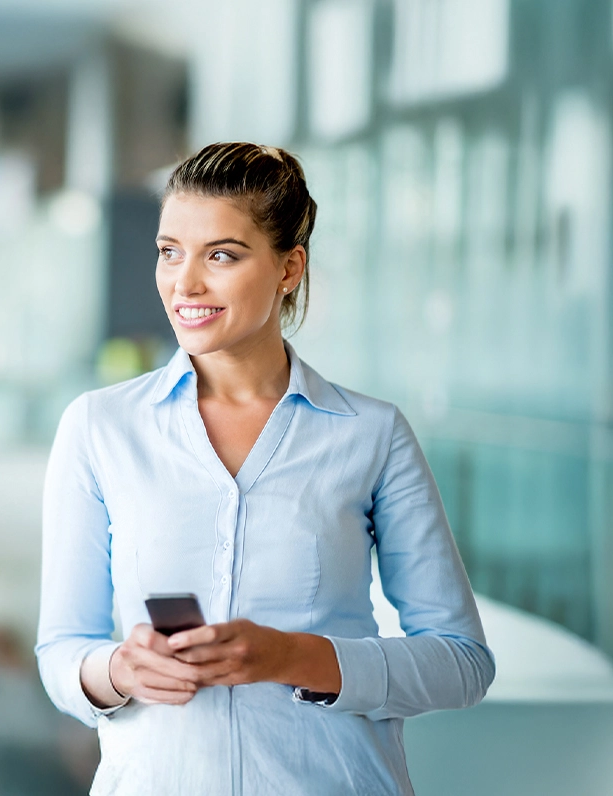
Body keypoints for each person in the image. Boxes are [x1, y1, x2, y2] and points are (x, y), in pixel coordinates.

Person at [35, 141, 495, 795]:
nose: (184, 282)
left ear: (288, 268)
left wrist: (294, 656)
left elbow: (461, 663)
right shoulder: (98, 426)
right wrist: (117, 670)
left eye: (220, 254)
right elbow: (61, 650)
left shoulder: (371, 435)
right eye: (170, 251)